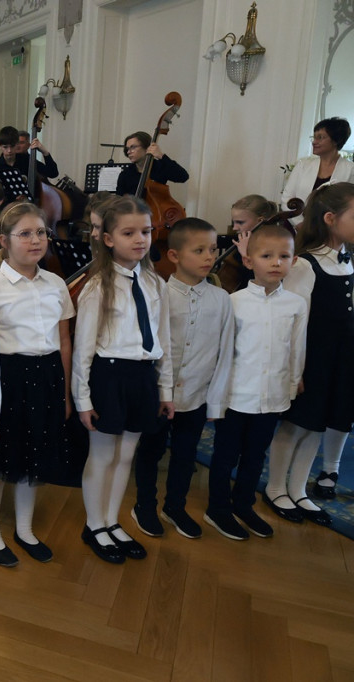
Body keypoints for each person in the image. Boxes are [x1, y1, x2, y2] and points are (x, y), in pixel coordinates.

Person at [72, 196, 174, 563]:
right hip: (109, 376)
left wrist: (165, 389)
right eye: (129, 233)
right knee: (102, 456)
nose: (140, 239)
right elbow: (83, 349)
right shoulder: (97, 286)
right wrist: (83, 399)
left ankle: (111, 521)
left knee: (126, 455)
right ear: (108, 238)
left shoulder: (155, 283)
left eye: (146, 231)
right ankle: (94, 525)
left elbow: (163, 341)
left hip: (142, 377)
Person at [0, 203, 73, 565]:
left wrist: (65, 393)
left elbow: (64, 341)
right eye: (25, 234)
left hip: (46, 376)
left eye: (41, 232)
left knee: (33, 455)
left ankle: (25, 529)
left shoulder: (56, 284)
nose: (36, 240)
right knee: (1, 459)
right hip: (7, 378)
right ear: (4, 240)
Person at [131, 218, 234, 540]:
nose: (209, 257)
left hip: (197, 395)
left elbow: (225, 352)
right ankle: (144, 504)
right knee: (151, 451)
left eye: (212, 250)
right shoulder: (158, 295)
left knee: (186, 455)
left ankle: (175, 506)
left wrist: (216, 402)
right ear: (174, 255)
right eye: (199, 250)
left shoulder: (222, 299)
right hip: (159, 395)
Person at [204, 223, 307, 540]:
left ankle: (243, 504)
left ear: (293, 261)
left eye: (284, 256)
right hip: (236, 396)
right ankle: (217, 508)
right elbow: (221, 353)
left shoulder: (296, 304)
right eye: (267, 256)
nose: (276, 262)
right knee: (225, 455)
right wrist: (216, 397)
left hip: (272, 397)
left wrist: (293, 383)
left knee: (255, 455)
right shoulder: (233, 302)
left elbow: (297, 347)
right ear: (249, 260)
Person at [265, 183, 354, 524]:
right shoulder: (305, 265)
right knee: (296, 425)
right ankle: (276, 487)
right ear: (331, 218)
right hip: (311, 359)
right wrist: (294, 370)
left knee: (318, 426)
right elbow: (292, 322)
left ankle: (299, 489)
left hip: (340, 360)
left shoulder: (348, 261)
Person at [281, 118, 354, 226]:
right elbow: (286, 198)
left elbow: (349, 207)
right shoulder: (302, 165)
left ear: (336, 140)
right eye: (314, 137)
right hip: (295, 227)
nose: (314, 142)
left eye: (320, 137)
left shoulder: (351, 169)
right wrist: (300, 224)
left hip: (330, 229)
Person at [115, 131, 189, 197]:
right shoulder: (125, 174)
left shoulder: (159, 167)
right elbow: (119, 200)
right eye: (127, 149)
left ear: (147, 147)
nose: (128, 152)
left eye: (133, 147)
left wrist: (161, 156)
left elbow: (183, 177)